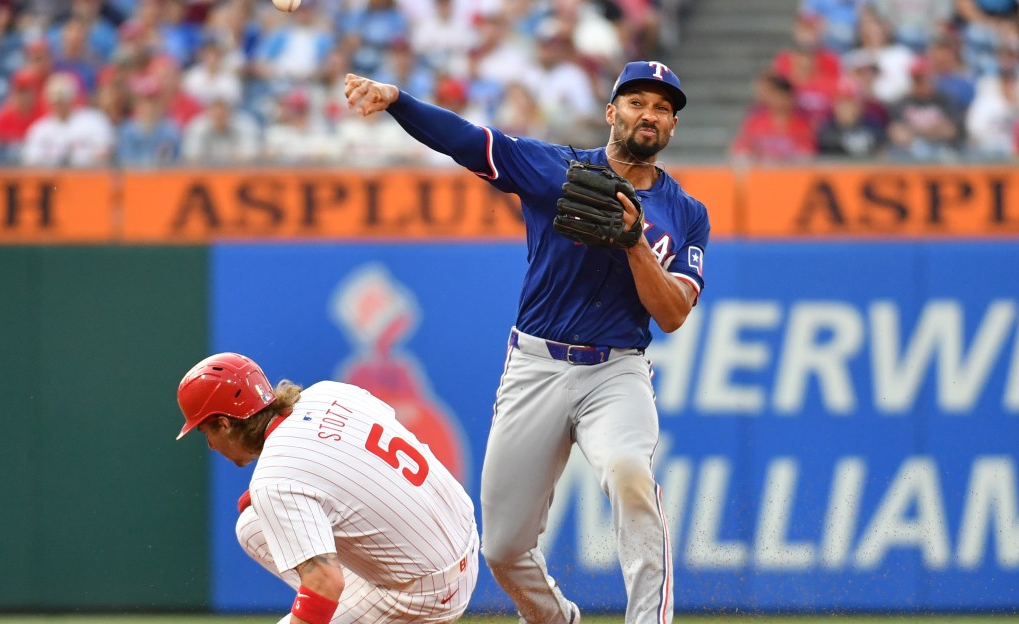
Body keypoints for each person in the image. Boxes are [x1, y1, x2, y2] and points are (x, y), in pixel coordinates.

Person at [344, 59, 709, 624]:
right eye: (637, 102)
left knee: (631, 476)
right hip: (535, 365)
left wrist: (635, 242)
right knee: (503, 548)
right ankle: (555, 618)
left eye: (662, 108)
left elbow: (674, 313)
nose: (649, 114)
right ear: (611, 113)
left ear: (672, 126)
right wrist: (398, 100)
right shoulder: (555, 168)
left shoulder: (686, 214)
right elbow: (470, 142)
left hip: (617, 371)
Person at [175, 352, 479, 624]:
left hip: (424, 595)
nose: (210, 445)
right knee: (252, 525)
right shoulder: (328, 393)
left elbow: (325, 583)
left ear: (224, 424)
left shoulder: (274, 480)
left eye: (205, 431)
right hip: (464, 535)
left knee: (314, 586)